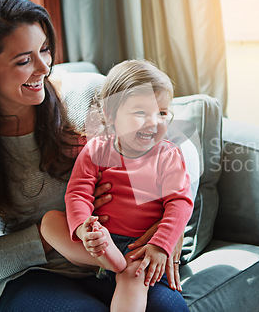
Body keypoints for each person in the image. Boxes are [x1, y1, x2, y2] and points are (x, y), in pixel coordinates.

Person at [0, 0, 187, 312]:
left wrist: (168, 232)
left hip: (121, 250)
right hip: (33, 275)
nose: (44, 67)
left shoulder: (85, 96)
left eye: (44, 50)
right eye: (24, 60)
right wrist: (52, 231)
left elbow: (180, 150)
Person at [41, 59, 194, 312]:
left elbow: (180, 203)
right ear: (111, 115)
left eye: (162, 113)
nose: (153, 122)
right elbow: (78, 192)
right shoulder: (97, 149)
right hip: (101, 242)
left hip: (141, 247)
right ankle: (107, 259)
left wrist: (160, 244)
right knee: (50, 222)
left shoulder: (168, 155)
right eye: (140, 113)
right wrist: (83, 231)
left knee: (132, 277)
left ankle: (118, 265)